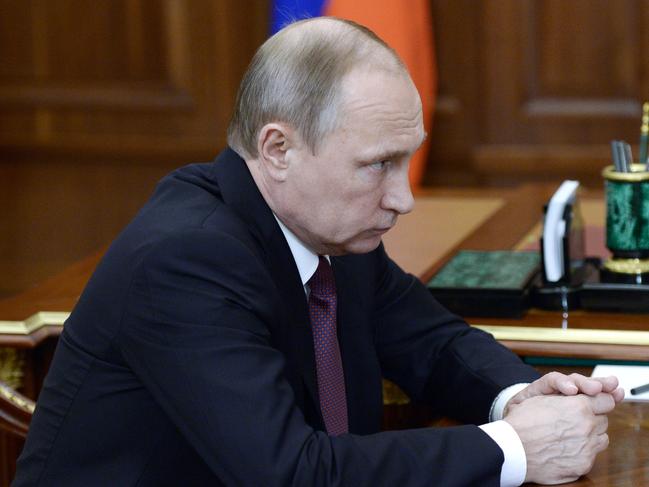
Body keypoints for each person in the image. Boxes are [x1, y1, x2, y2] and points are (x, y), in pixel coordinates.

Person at [13, 17, 623, 487]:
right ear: (277, 148)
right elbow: (290, 473)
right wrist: (514, 449)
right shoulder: (186, 260)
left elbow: (432, 344)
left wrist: (521, 397)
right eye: (377, 165)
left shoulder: (329, 229)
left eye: (405, 159)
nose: (402, 198)